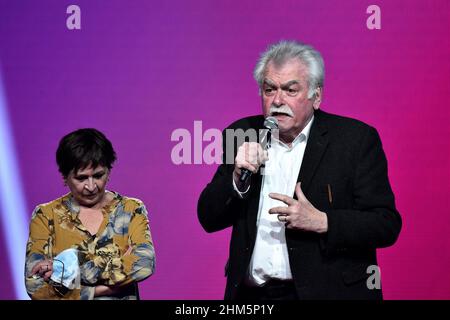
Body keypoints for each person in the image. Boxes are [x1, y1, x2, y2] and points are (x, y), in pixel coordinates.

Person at [197, 40, 402, 300]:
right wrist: (237, 179)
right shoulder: (241, 133)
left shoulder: (355, 140)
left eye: (290, 90)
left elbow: (385, 224)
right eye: (269, 89)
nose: (277, 100)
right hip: (253, 296)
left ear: (316, 96)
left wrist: (323, 222)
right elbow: (208, 218)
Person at [24, 128, 155, 299]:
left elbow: (144, 264)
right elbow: (36, 287)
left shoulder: (131, 209)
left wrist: (69, 271)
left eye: (98, 175)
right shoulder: (46, 216)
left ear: (109, 171)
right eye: (81, 178)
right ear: (64, 177)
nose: (92, 186)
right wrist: (100, 290)